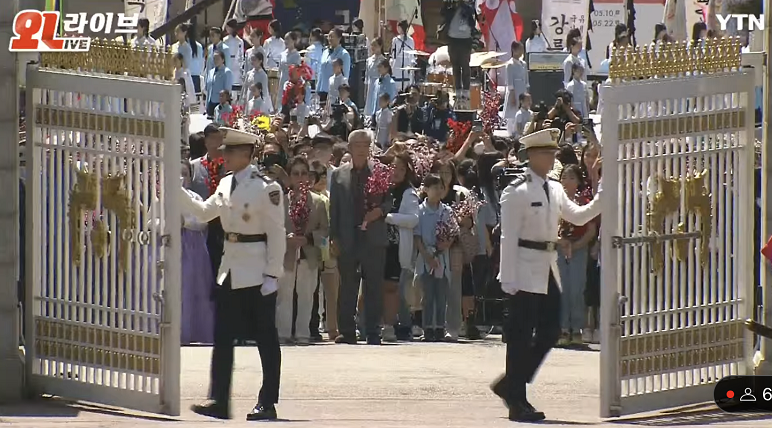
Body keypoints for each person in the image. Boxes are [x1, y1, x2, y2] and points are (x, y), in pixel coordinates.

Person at [490, 128, 602, 422]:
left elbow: (577, 215)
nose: (553, 157)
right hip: (524, 266)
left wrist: (602, 192)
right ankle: (518, 402)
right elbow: (508, 237)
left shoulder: (553, 188)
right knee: (520, 336)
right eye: (548, 153)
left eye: (554, 152)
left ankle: (510, 386)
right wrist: (508, 277)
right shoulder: (517, 190)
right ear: (533, 156)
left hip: (547, 265)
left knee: (551, 330)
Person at [181, 127, 286, 421]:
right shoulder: (226, 184)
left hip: (256, 269)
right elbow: (203, 212)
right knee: (223, 336)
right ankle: (219, 398)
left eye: (230, 151)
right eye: (224, 150)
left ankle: (267, 401)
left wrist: (272, 274)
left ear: (245, 154)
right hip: (230, 269)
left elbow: (277, 234)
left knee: (266, 338)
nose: (224, 155)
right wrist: (176, 192)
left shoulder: (267, 187)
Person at [329, 130, 393, 345]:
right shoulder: (338, 175)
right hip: (347, 236)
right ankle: (346, 331)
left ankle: (373, 330)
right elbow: (334, 208)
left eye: (365, 144)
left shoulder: (380, 171)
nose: (361, 149)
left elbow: (389, 201)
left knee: (373, 285)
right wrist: (334, 237)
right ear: (350, 147)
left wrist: (379, 212)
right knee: (347, 285)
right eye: (357, 144)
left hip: (373, 237)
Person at [277, 156, 329, 345]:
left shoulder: (318, 202)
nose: (300, 178)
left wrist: (307, 238)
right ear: (289, 177)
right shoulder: (281, 201)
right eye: (296, 174)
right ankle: (282, 332)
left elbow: (325, 230)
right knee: (284, 294)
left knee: (307, 294)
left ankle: (302, 332)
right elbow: (274, 226)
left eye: (304, 173)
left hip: (309, 254)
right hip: (287, 253)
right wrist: (287, 238)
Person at [555, 164, 597, 346]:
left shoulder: (585, 202)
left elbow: (591, 230)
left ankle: (578, 328)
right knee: (561, 288)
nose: (567, 181)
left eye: (571, 178)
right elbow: (547, 225)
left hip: (579, 249)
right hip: (558, 248)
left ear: (578, 181)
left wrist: (577, 245)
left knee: (577, 289)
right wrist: (560, 242)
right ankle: (563, 328)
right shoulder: (554, 201)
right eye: (564, 177)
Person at [382, 153, 420, 342]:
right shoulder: (380, 187)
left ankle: (392, 326)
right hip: (376, 245)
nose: (396, 172)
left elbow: (413, 219)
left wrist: (388, 217)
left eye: (402, 169)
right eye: (394, 167)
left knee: (393, 288)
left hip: (395, 248)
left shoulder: (408, 192)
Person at [413, 173, 454, 342]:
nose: (438, 191)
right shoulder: (420, 211)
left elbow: (452, 232)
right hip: (426, 257)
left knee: (441, 294)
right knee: (428, 295)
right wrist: (427, 256)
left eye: (440, 187)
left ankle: (440, 328)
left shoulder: (447, 211)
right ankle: (427, 328)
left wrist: (446, 245)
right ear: (426, 190)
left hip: (442, 257)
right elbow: (417, 237)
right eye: (434, 187)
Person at [180, 159, 215, 345]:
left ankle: (194, 331)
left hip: (193, 248)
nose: (181, 178)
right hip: (171, 247)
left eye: (184, 174)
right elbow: (151, 222)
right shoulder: (161, 197)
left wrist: (185, 223)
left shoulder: (195, 198)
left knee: (195, 289)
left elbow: (203, 221)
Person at [439, 0, 477, 107]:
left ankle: (465, 91)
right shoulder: (451, 6)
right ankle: (458, 91)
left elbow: (473, 18)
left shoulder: (468, 7)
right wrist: (448, 4)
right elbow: (442, 13)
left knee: (465, 66)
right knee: (455, 67)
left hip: (465, 41)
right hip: (453, 40)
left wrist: (463, 4)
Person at [318, 28, 352, 105]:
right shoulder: (325, 51)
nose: (330, 39)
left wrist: (343, 93)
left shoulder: (344, 54)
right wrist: (318, 88)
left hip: (335, 91)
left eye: (332, 36)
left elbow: (345, 75)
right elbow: (321, 71)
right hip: (323, 89)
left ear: (339, 38)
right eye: (329, 36)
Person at [503, 41, 528, 132]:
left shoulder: (523, 64)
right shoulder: (510, 64)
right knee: (513, 113)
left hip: (522, 89)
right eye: (519, 49)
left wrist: (527, 91)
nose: (521, 51)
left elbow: (526, 79)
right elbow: (510, 81)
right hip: (514, 91)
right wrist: (512, 95)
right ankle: (511, 132)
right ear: (514, 50)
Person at [175, 23, 204, 96]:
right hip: (196, 75)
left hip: (186, 75)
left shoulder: (185, 46)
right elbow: (201, 62)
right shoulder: (199, 46)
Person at [277, 32, 302, 112]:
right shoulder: (282, 54)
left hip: (291, 83)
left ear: (294, 41)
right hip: (282, 81)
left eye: (288, 39)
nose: (286, 41)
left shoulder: (296, 55)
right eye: (285, 39)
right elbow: (280, 69)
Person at [205, 52, 234, 119]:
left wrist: (225, 103)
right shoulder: (211, 72)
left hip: (220, 103)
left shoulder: (227, 72)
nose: (215, 61)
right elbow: (209, 88)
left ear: (223, 60)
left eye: (217, 59)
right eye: (214, 59)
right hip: (211, 102)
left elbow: (227, 89)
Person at [390, 20, 416, 92]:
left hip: (400, 65)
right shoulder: (410, 40)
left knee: (400, 86)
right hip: (405, 64)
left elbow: (393, 54)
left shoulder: (396, 40)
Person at [365, 38, 387, 116]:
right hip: (371, 84)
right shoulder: (369, 60)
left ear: (380, 46)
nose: (373, 47)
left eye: (375, 45)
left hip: (379, 84)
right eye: (372, 45)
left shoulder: (384, 60)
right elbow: (367, 76)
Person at [224, 19, 246, 97]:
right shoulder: (225, 40)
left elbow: (241, 55)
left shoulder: (239, 40)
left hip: (236, 65)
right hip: (228, 63)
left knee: (236, 87)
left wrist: (240, 64)